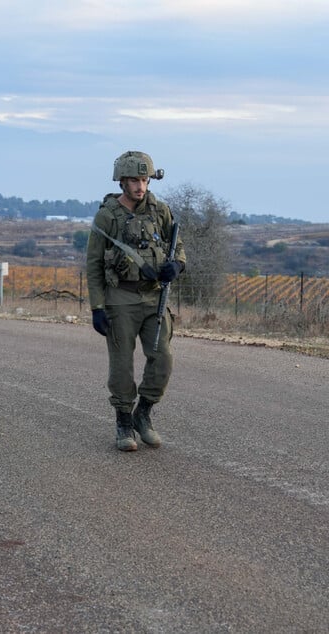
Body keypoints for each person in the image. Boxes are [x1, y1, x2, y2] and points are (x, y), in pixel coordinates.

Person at [86, 151, 186, 451]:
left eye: (144, 180)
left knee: (163, 358)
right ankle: (123, 422)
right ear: (122, 181)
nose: (140, 186)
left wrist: (177, 265)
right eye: (134, 180)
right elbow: (92, 264)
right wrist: (97, 307)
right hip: (121, 297)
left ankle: (143, 413)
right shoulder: (108, 215)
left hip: (155, 295)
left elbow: (176, 246)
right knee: (121, 366)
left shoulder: (161, 211)